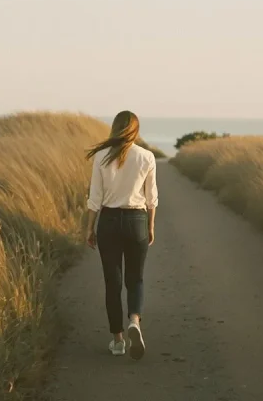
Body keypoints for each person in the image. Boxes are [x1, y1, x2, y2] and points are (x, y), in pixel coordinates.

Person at [84, 111, 158, 360]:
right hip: (137, 219)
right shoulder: (146, 156)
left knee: (112, 283)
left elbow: (94, 197)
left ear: (114, 128)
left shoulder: (102, 157)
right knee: (135, 279)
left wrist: (89, 228)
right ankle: (134, 321)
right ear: (135, 130)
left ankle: (117, 341)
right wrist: (150, 226)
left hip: (109, 221)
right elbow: (151, 198)